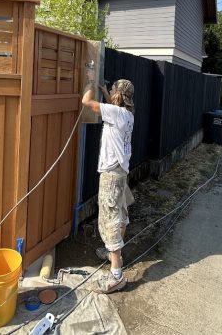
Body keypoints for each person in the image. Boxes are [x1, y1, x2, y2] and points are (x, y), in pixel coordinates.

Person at [82, 77, 135, 294]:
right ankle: (116, 253)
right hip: (121, 171)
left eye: (112, 89)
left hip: (111, 173)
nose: (110, 90)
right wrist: (104, 91)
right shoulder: (127, 114)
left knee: (109, 219)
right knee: (120, 213)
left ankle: (116, 275)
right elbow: (111, 108)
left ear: (118, 95)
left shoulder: (116, 113)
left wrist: (89, 83)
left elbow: (86, 102)